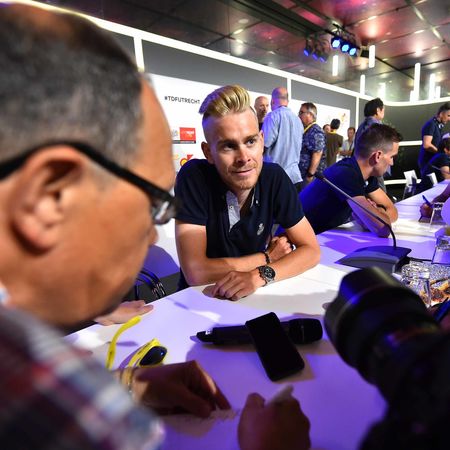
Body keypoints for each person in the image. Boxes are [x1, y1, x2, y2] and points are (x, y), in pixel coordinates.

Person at [0, 5, 311, 450]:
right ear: (49, 197)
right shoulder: (61, 402)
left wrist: (131, 383)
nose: (151, 236)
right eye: (151, 205)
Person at [175, 85, 320, 300]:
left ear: (261, 141)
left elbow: (312, 250)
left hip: (254, 297)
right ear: (208, 152)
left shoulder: (274, 177)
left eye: (250, 141)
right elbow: (195, 272)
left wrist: (259, 275)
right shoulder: (193, 177)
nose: (244, 158)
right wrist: (266, 257)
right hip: (199, 300)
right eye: (228, 146)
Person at [300, 124, 400, 236]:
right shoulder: (345, 174)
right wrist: (373, 216)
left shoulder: (368, 176)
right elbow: (383, 228)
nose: (392, 163)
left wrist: (376, 212)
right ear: (378, 156)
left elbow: (393, 212)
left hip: (321, 237)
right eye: (391, 157)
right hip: (298, 240)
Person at [261, 87, 303, 191]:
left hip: (275, 179)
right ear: (287, 101)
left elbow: (263, 145)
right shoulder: (298, 120)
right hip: (295, 178)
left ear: (272, 101)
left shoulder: (272, 116)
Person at [298, 102, 326, 188]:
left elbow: (317, 153)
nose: (299, 115)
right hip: (302, 175)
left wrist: (310, 175)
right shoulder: (307, 129)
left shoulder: (316, 131)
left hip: (310, 177)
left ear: (310, 114)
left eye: (301, 112)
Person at [418, 102, 450, 171]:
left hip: (432, 162)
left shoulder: (438, 125)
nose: (449, 119)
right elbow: (426, 145)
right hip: (428, 163)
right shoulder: (431, 124)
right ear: (441, 114)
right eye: (448, 116)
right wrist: (441, 154)